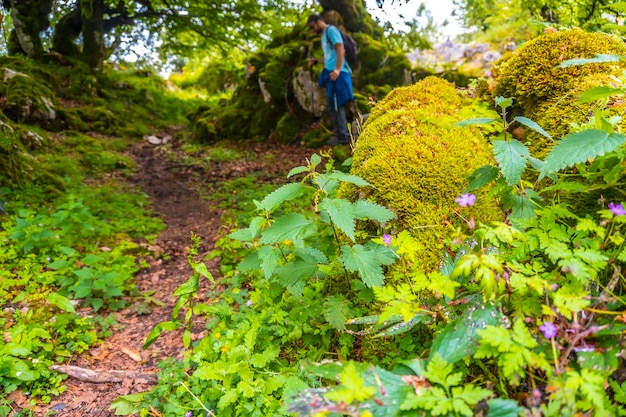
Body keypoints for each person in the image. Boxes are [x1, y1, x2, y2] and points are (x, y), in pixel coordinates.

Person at [307, 14, 354, 146]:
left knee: (336, 105)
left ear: (318, 21)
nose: (312, 30)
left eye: (312, 26)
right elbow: (330, 56)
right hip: (332, 73)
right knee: (333, 105)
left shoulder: (331, 30)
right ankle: (340, 134)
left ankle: (343, 137)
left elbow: (341, 50)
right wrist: (316, 61)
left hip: (338, 74)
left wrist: (337, 70)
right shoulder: (324, 35)